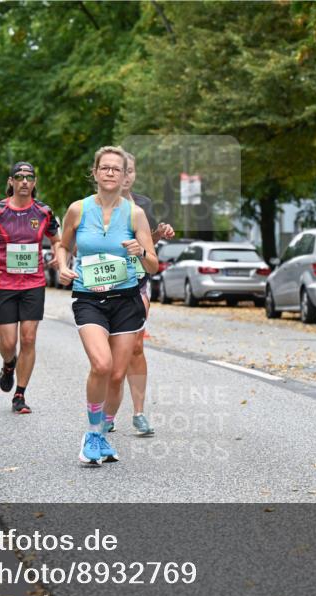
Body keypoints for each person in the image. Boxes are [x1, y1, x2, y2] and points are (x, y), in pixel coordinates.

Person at [55, 146, 159, 465]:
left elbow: (153, 265)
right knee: (101, 364)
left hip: (126, 300)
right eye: (105, 168)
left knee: (116, 375)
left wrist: (140, 251)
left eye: (117, 168)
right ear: (95, 172)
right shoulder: (77, 209)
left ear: (124, 174)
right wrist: (61, 265)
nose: (111, 172)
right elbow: (62, 245)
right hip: (89, 299)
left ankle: (102, 429)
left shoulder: (135, 214)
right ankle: (92, 433)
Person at [0, 161, 62, 414]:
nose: (24, 181)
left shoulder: (44, 212)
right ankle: (8, 364)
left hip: (34, 283)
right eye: (19, 177)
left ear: (34, 183)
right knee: (8, 343)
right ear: (11, 181)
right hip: (4, 284)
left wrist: (58, 255)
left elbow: (57, 240)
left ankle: (20, 395)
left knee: (29, 338)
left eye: (29, 177)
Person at [108, 152, 176, 437]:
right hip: (107, 283)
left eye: (131, 171)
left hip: (138, 281)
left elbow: (148, 244)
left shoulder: (144, 204)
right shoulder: (97, 206)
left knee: (136, 344)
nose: (127, 176)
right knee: (111, 355)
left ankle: (138, 412)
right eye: (122, 170)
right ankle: (107, 411)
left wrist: (160, 233)